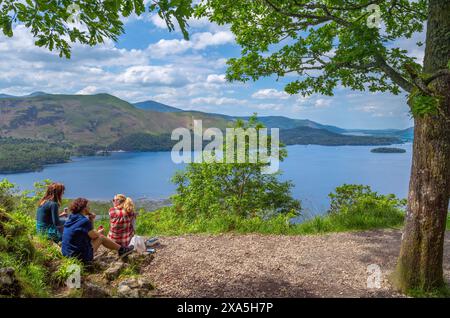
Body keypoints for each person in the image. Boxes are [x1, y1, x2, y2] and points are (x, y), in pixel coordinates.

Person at [62, 198, 134, 264]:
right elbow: (95, 236)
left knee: (98, 236)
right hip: (79, 258)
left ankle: (121, 249)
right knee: (101, 237)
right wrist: (96, 227)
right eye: (88, 206)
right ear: (84, 208)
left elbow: (89, 234)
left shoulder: (70, 218)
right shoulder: (84, 221)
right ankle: (122, 250)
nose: (89, 208)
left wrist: (91, 222)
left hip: (67, 254)